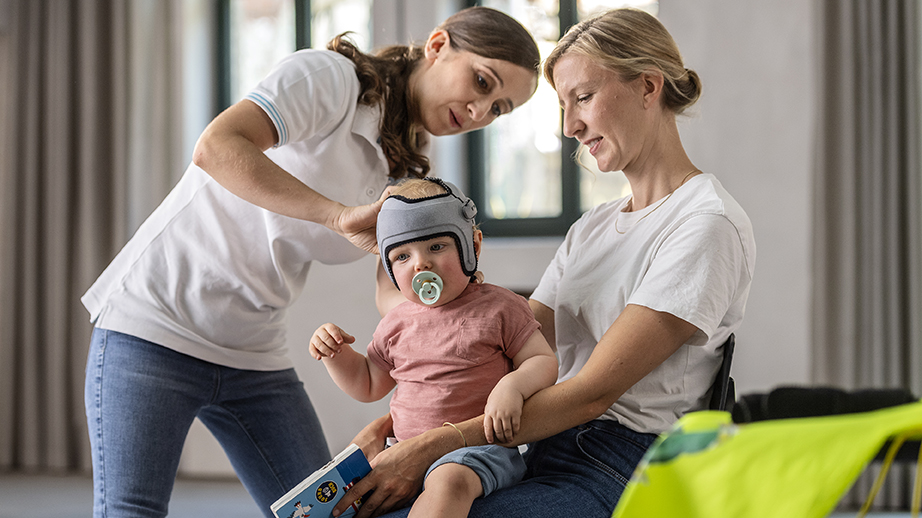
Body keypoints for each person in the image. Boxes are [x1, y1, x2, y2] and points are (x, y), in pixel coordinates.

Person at [80, 7, 540, 518]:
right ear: (437, 46)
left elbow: (393, 293)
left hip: (253, 346)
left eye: (498, 109)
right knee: (131, 511)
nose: (479, 112)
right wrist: (335, 215)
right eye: (482, 82)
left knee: (324, 511)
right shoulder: (330, 78)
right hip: (155, 322)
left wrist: (458, 313)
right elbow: (216, 147)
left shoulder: (403, 169)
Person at [330, 8, 756, 518]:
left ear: (648, 86)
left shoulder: (704, 223)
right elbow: (503, 338)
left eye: (583, 97)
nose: (570, 126)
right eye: (563, 106)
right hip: (542, 443)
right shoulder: (593, 227)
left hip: (624, 463)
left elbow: (593, 394)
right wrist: (399, 427)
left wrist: (429, 446)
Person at [310, 177, 558, 518]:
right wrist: (335, 354)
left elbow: (542, 360)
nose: (420, 264)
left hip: (478, 450)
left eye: (436, 247)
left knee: (448, 481)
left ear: (473, 247)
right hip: (404, 451)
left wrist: (512, 387)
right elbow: (368, 384)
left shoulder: (501, 307)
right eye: (402, 256)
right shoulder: (396, 322)